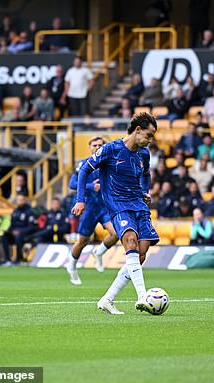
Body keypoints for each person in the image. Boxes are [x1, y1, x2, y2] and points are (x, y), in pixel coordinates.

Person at [72, 113, 159, 315]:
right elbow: (84, 169)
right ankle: (143, 297)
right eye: (149, 135)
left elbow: (146, 175)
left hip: (138, 204)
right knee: (130, 241)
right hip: (118, 205)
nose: (150, 140)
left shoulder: (143, 154)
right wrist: (80, 200)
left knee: (141, 254)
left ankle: (107, 299)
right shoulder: (111, 149)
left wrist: (145, 191)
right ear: (138, 130)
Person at [67, 137, 119, 284]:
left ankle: (99, 252)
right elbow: (72, 184)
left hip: (104, 207)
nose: (97, 147)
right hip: (89, 208)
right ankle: (71, 265)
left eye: (100, 145)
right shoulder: (84, 164)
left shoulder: (109, 164)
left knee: (116, 233)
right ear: (89, 147)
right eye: (94, 145)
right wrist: (91, 186)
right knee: (83, 241)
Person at [0, 195, 36, 264]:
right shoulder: (15, 211)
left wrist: (20, 231)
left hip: (25, 234)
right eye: (18, 200)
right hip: (14, 233)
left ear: (25, 200)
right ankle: (7, 260)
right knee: (4, 236)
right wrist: (8, 230)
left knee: (18, 237)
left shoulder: (29, 211)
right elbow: (12, 224)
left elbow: (31, 227)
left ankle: (19, 259)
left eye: (21, 200)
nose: (19, 202)